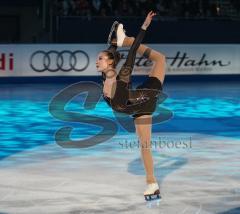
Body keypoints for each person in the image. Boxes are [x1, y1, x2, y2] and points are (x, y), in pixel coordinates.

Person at [96, 11, 165, 201]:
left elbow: (133, 53)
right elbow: (110, 51)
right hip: (135, 106)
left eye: (100, 59)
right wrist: (114, 43)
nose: (97, 60)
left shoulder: (122, 77)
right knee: (145, 145)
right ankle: (152, 184)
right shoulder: (105, 76)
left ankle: (126, 40)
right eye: (98, 58)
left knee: (160, 59)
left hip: (148, 96)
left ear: (109, 62)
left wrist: (143, 28)